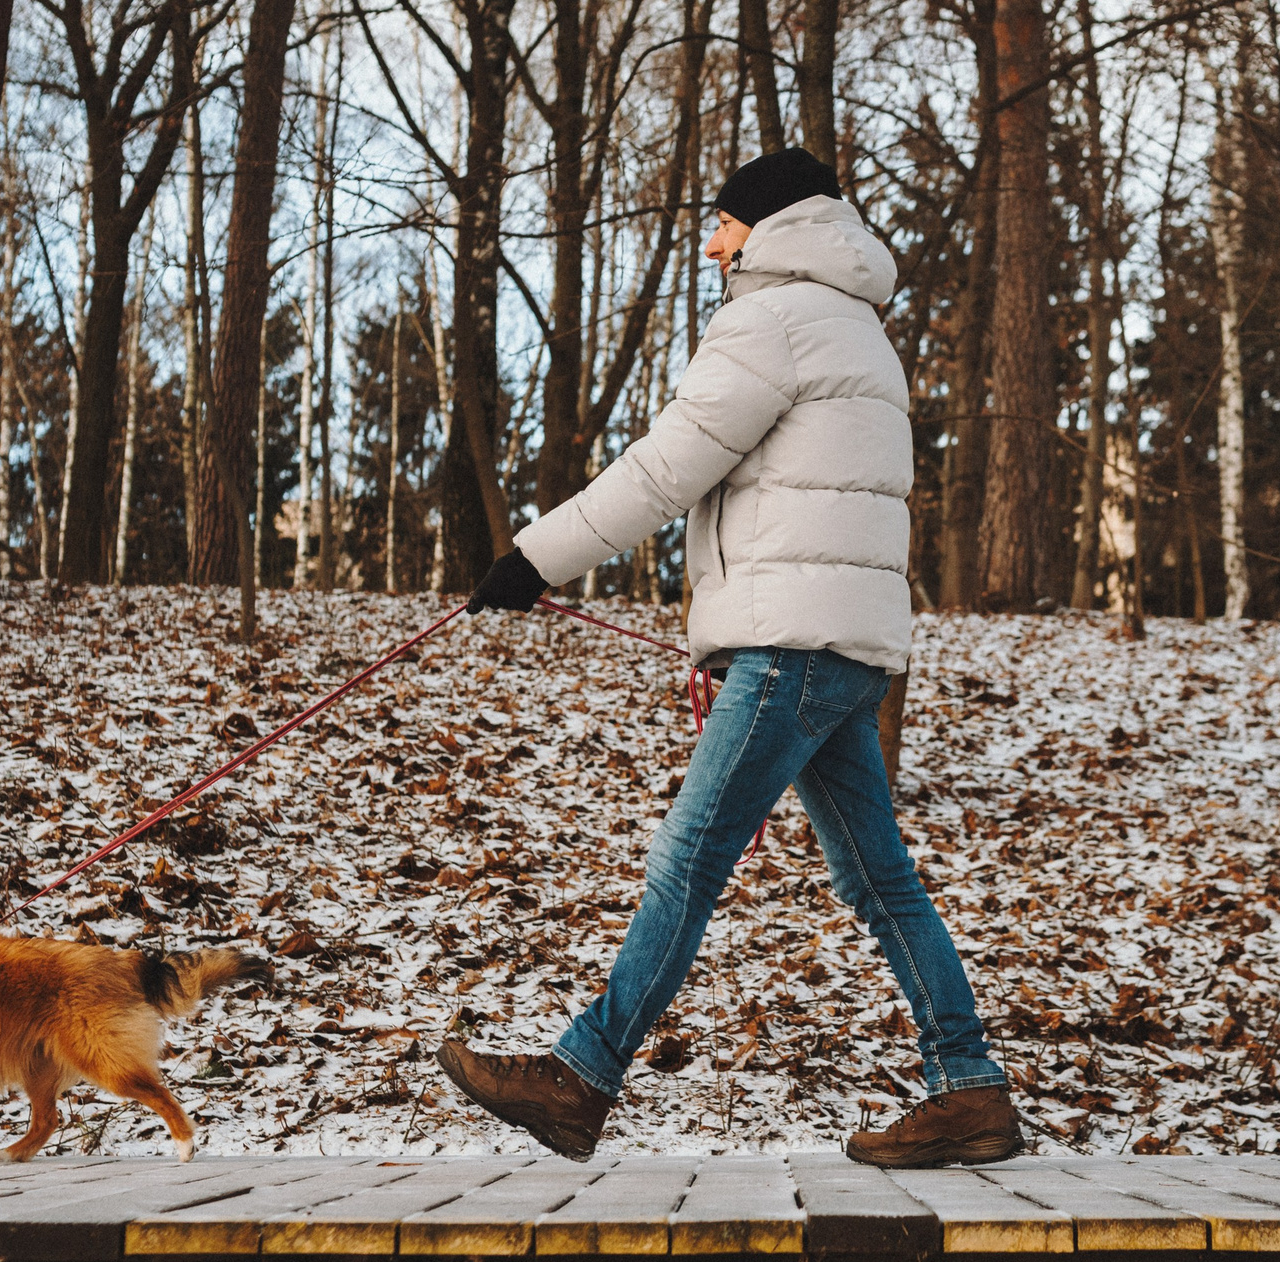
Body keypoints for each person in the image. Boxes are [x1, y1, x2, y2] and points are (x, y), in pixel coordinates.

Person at [434, 147, 1023, 1169]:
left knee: (689, 858)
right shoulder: (859, 327)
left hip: (793, 648)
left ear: (773, 224)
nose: (712, 244)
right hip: (841, 644)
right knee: (879, 879)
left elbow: (666, 468)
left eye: (723, 223)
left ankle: (581, 1076)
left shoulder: (773, 321)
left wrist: (534, 558)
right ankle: (968, 1085)